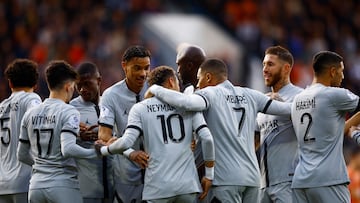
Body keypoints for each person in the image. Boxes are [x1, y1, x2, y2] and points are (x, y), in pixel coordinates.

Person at [148, 58, 291, 202]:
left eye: (199, 79)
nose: (197, 84)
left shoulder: (210, 93)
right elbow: (288, 109)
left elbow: (185, 103)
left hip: (225, 179)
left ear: (208, 77)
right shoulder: (251, 95)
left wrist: (155, 88)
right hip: (252, 179)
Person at [97, 65, 215, 202]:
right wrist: (209, 175)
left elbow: (126, 142)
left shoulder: (140, 108)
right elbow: (207, 138)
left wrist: (104, 150)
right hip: (187, 186)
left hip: (158, 189)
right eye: (177, 82)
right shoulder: (189, 106)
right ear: (171, 81)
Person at [17, 60, 98, 203]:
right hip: (63, 185)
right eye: (73, 87)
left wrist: (42, 166)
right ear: (68, 87)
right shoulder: (68, 111)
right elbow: (68, 149)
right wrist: (96, 153)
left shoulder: (30, 114)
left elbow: (22, 154)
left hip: (35, 187)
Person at [291, 51, 360, 203]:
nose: (343, 77)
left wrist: (351, 126)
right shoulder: (334, 95)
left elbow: (331, 134)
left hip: (301, 180)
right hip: (328, 180)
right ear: (332, 71)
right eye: (341, 72)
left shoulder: (297, 99)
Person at [98, 45, 151, 203]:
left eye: (146, 68)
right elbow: (104, 135)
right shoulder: (110, 95)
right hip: (126, 174)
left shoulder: (155, 89)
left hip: (157, 171)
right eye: (137, 68)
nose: (143, 74)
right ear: (124, 66)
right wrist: (130, 153)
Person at [256, 46, 303, 203]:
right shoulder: (263, 101)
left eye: (270, 64)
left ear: (286, 68)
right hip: (263, 186)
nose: (265, 69)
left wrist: (282, 106)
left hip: (289, 184)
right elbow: (255, 141)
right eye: (264, 64)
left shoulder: (300, 97)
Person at [70, 62, 113, 203]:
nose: (82, 89)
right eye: (78, 85)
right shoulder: (71, 108)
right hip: (87, 188)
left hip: (115, 184)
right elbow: (61, 141)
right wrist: (77, 135)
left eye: (87, 84)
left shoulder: (111, 103)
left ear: (99, 81)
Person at [0, 59, 42, 203]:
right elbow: (37, 119)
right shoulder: (31, 98)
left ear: (10, 83)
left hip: (2, 183)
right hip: (23, 181)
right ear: (35, 84)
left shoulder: (1, 107)